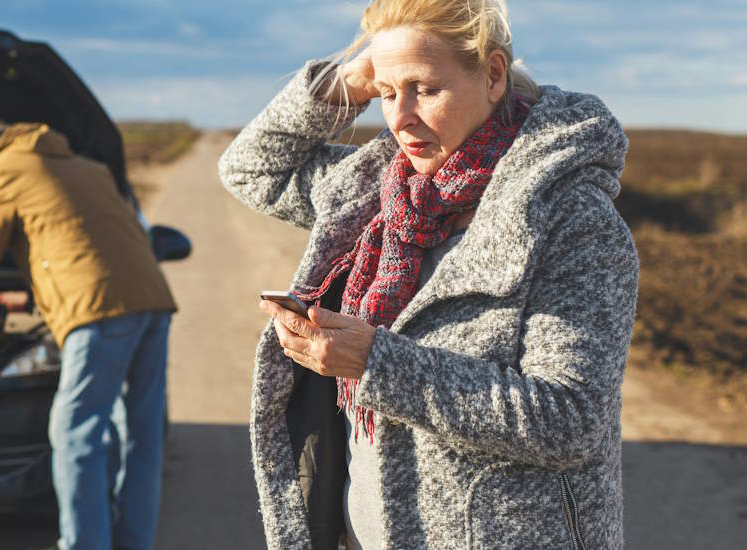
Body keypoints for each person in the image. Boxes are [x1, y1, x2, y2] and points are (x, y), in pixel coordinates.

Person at [218, 0, 638, 548]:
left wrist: (375, 361)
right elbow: (249, 168)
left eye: (426, 89)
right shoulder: (376, 191)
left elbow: (570, 417)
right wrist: (349, 80)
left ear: (492, 76)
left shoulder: (571, 217)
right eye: (389, 94)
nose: (400, 118)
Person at [0, 121, 176, 550]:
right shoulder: (87, 168)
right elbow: (77, 241)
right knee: (141, 437)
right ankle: (133, 542)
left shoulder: (6, 170)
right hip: (153, 300)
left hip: (100, 311)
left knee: (75, 434)